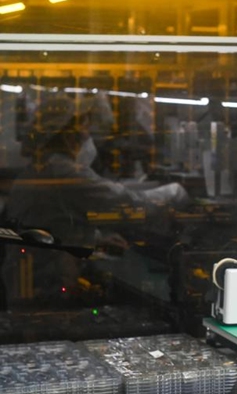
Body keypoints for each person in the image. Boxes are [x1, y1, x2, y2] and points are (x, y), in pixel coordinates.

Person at [2, 94, 189, 306]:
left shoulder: (41, 169)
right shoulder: (63, 173)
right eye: (84, 128)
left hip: (28, 280)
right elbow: (126, 204)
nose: (87, 135)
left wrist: (94, 237)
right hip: (44, 286)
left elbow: (53, 224)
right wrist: (176, 192)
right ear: (67, 134)